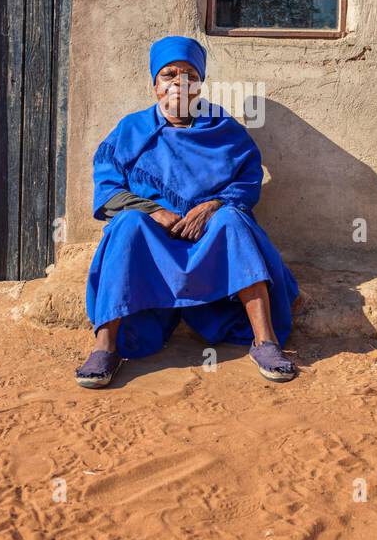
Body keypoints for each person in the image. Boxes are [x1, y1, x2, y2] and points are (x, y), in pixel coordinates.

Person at [76, 34, 299, 388]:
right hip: (154, 241)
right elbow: (108, 191)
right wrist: (154, 211)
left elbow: (248, 182)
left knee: (233, 220)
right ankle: (106, 347)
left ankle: (265, 341)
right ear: (154, 85)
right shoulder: (131, 130)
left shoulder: (223, 129)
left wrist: (212, 206)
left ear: (200, 85)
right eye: (169, 75)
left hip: (207, 238)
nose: (179, 84)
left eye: (190, 76)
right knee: (128, 225)